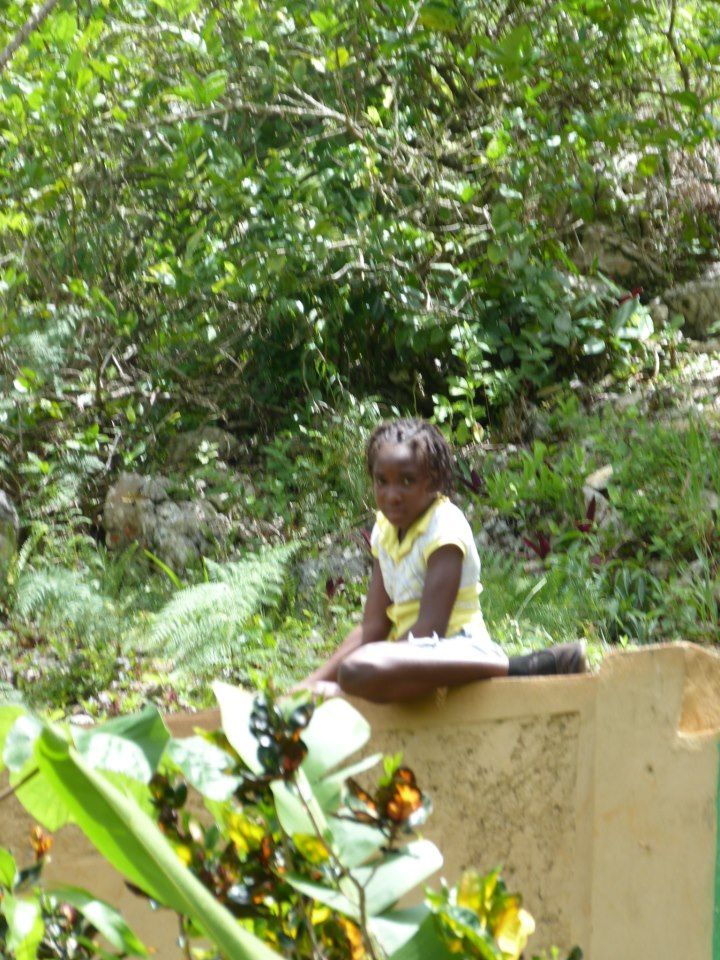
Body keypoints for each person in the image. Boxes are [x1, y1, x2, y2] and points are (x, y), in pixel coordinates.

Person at [300, 418, 587, 703]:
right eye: (381, 481)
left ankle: (518, 667)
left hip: (453, 649)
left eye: (407, 481)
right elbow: (374, 626)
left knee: (358, 669)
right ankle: (309, 690)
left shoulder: (444, 527)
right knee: (358, 658)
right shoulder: (383, 531)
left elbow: (429, 631)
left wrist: (366, 671)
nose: (391, 496)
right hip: (406, 654)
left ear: (434, 481)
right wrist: (319, 680)